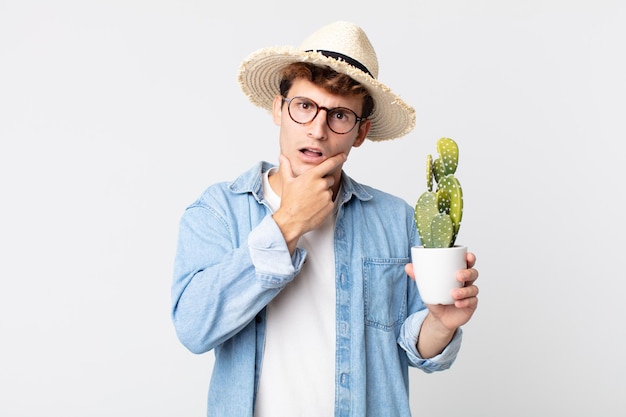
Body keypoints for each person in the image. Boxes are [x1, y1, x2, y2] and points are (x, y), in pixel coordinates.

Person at [171, 21, 479, 417]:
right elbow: (194, 328)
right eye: (304, 106)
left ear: (361, 132)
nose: (317, 130)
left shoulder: (395, 219)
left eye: (339, 116)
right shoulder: (219, 210)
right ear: (278, 109)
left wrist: (442, 323)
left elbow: (414, 345)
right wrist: (288, 224)